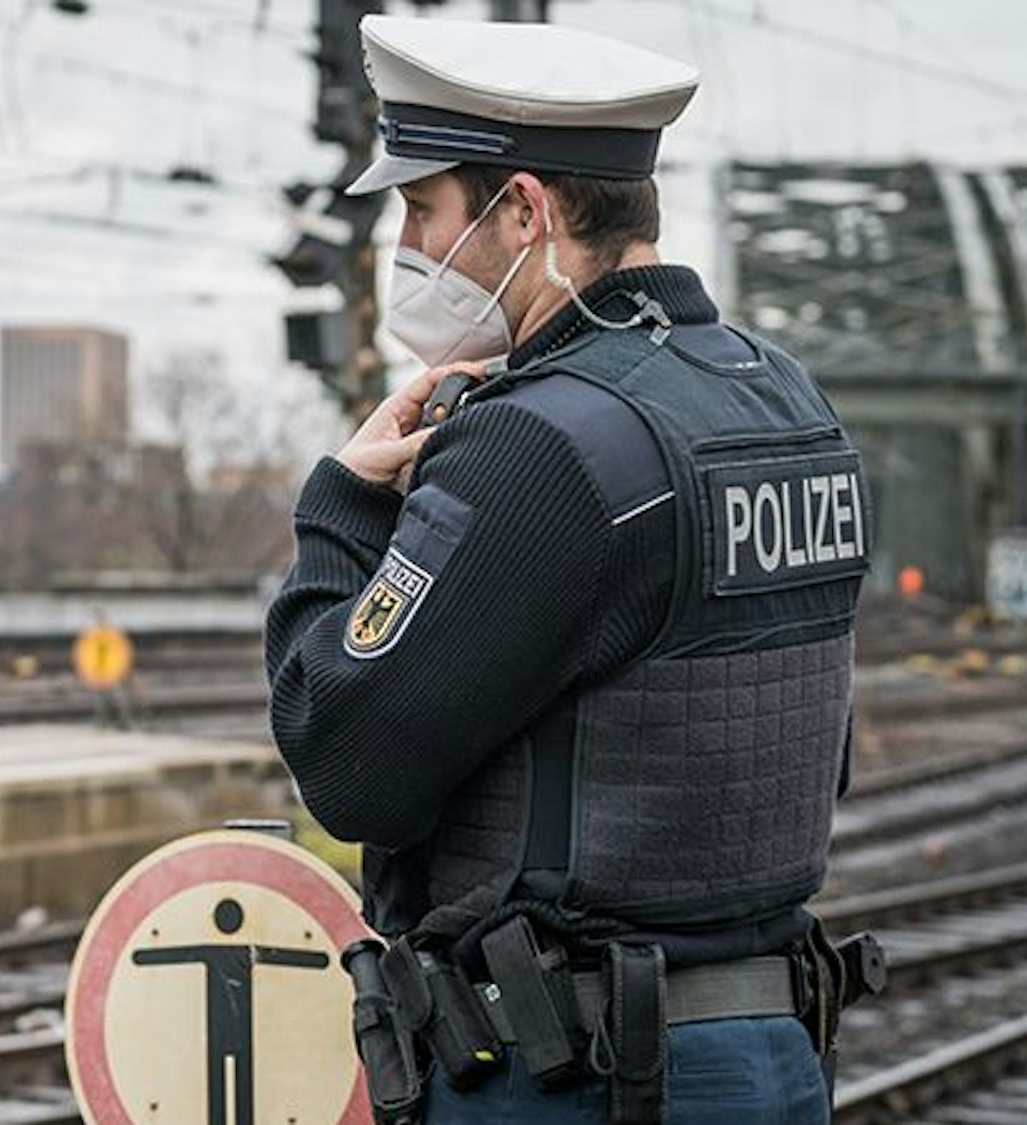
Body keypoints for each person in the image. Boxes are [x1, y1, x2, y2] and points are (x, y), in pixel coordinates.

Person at [265, 16, 878, 1125]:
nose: (402, 246)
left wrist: (341, 507)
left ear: (523, 213)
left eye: (420, 210)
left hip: (570, 1075)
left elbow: (346, 760)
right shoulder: (784, 400)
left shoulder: (540, 445)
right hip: (767, 1048)